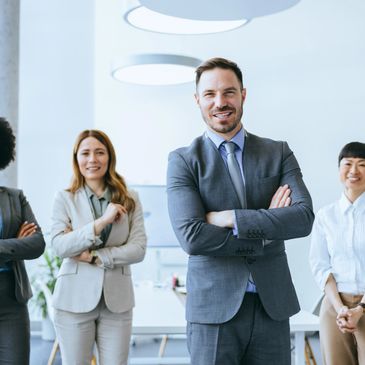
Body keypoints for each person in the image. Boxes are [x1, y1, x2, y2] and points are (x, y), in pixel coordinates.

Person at [166, 57, 314, 365]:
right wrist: (267, 227)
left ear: (243, 95)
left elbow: (302, 218)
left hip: (271, 305)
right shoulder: (182, 161)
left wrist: (230, 217)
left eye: (229, 92)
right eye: (210, 94)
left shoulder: (278, 152)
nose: (220, 102)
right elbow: (192, 237)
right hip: (213, 310)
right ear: (197, 100)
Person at [50, 129, 147, 365]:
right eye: (85, 153)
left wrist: (95, 257)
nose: (92, 159)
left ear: (109, 157)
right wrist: (102, 222)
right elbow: (59, 246)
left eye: (99, 152)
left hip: (118, 303)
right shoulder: (64, 198)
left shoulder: (129, 198)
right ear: (77, 160)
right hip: (73, 301)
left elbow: (138, 248)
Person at [309, 142, 365, 365]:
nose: (354, 171)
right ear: (339, 169)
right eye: (348, 164)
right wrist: (341, 307)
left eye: (362, 164)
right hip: (335, 307)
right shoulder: (325, 216)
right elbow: (321, 266)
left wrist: (360, 309)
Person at [0, 117, 45, 365]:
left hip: (12, 300)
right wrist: (15, 245)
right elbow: (25, 246)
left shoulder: (16, 198)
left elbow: (37, 244)